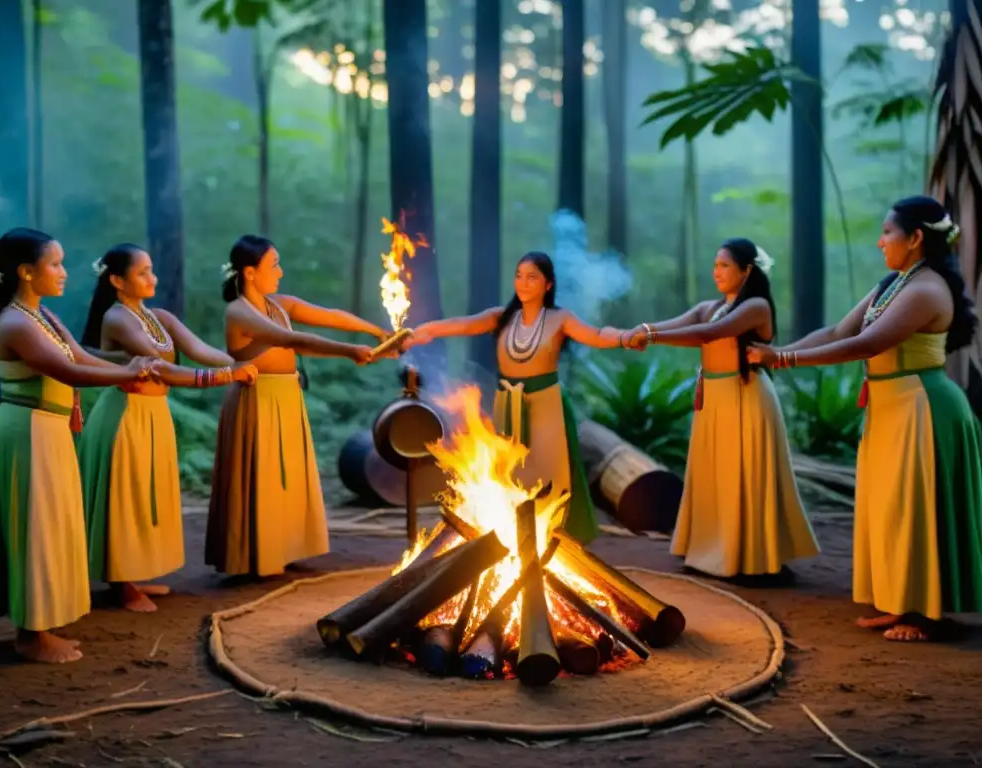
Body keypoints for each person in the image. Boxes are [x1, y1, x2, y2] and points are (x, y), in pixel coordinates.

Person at [747, 196, 982, 641]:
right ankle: (903, 603)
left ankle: (923, 613)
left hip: (922, 408)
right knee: (891, 508)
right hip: (892, 408)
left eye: (887, 232)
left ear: (914, 239)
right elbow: (840, 332)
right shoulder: (894, 284)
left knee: (914, 509)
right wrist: (777, 354)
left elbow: (867, 344)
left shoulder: (927, 289)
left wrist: (785, 358)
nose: (880, 242)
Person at [0, 228, 159, 663]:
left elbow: (80, 357)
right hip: (24, 434)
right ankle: (31, 635)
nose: (64, 272)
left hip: (45, 433)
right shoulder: (16, 322)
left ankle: (39, 625)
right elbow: (69, 372)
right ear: (26, 272)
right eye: (55, 264)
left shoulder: (42, 316)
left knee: (49, 528)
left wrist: (131, 365)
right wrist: (131, 374)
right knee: (34, 530)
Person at [404, 251, 634, 543]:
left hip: (546, 403)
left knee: (550, 473)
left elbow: (597, 335)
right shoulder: (502, 317)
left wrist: (628, 337)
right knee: (510, 472)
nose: (523, 283)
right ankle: (513, 536)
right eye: (519, 276)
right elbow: (462, 324)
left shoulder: (560, 318)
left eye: (532, 277)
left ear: (548, 284)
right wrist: (426, 331)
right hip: (508, 402)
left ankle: (553, 537)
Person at [77, 244, 258, 613]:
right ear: (117, 280)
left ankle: (133, 573)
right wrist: (227, 375)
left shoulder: (156, 315)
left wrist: (246, 365)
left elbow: (199, 348)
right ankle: (120, 583)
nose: (152, 278)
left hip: (153, 414)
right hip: (124, 416)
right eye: (142, 272)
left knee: (147, 494)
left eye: (151, 270)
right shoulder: (117, 318)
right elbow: (163, 369)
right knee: (125, 496)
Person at [626, 238, 820, 579]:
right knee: (713, 474)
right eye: (715, 265)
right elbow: (684, 322)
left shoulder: (756, 306)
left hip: (744, 397)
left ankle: (750, 558)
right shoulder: (711, 305)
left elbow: (712, 333)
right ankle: (711, 550)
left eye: (725, 265)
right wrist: (643, 330)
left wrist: (652, 338)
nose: (717, 271)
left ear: (747, 271)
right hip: (714, 398)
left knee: (740, 473)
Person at [205, 235, 389, 578]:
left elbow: (327, 318)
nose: (280, 271)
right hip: (256, 399)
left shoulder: (280, 305)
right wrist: (349, 351)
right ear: (249, 272)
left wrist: (374, 331)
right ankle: (257, 556)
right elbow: (291, 339)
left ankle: (286, 547)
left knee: (287, 475)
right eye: (273, 264)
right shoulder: (239, 312)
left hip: (287, 397)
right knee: (262, 475)